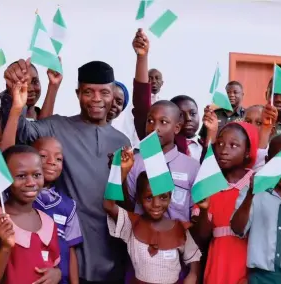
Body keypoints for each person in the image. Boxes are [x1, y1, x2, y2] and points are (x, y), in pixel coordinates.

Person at [1, 58, 130, 283]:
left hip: (112, 256)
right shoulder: (56, 126)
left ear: (113, 94)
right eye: (89, 92)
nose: (97, 99)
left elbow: (125, 201)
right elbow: (20, 131)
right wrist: (13, 95)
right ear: (78, 93)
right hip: (66, 256)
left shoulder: (122, 141)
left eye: (104, 93)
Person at [105, 148, 201, 283]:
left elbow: (193, 257)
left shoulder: (180, 228)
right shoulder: (132, 224)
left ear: (170, 197)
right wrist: (122, 173)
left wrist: (193, 274)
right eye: (149, 198)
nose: (156, 204)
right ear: (138, 199)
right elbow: (108, 205)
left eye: (163, 197)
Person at [231, 134, 281, 284]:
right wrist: (250, 195)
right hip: (259, 277)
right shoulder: (253, 193)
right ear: (267, 161)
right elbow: (236, 229)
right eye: (279, 165)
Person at [0, 145, 62, 284]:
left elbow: (54, 265)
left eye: (37, 175)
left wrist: (57, 273)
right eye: (21, 176)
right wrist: (5, 248)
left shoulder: (48, 222)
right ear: (5, 180)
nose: (31, 182)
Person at [193, 122, 259, 284]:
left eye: (233, 145)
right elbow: (202, 236)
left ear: (247, 152)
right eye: (220, 143)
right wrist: (203, 211)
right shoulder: (209, 183)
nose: (223, 150)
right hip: (217, 264)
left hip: (247, 265)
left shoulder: (256, 183)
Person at [126, 100, 200, 222]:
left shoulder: (192, 167)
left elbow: (195, 211)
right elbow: (129, 205)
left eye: (163, 122)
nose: (155, 128)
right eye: (150, 121)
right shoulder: (135, 162)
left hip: (179, 237)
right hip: (142, 237)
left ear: (176, 128)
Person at [32, 137, 83, 284]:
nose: (51, 161)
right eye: (43, 156)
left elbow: (71, 249)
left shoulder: (68, 205)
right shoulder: (22, 200)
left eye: (58, 158)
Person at [170, 95, 203, 161]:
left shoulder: (207, 146)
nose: (188, 118)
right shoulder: (165, 146)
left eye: (193, 114)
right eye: (181, 115)